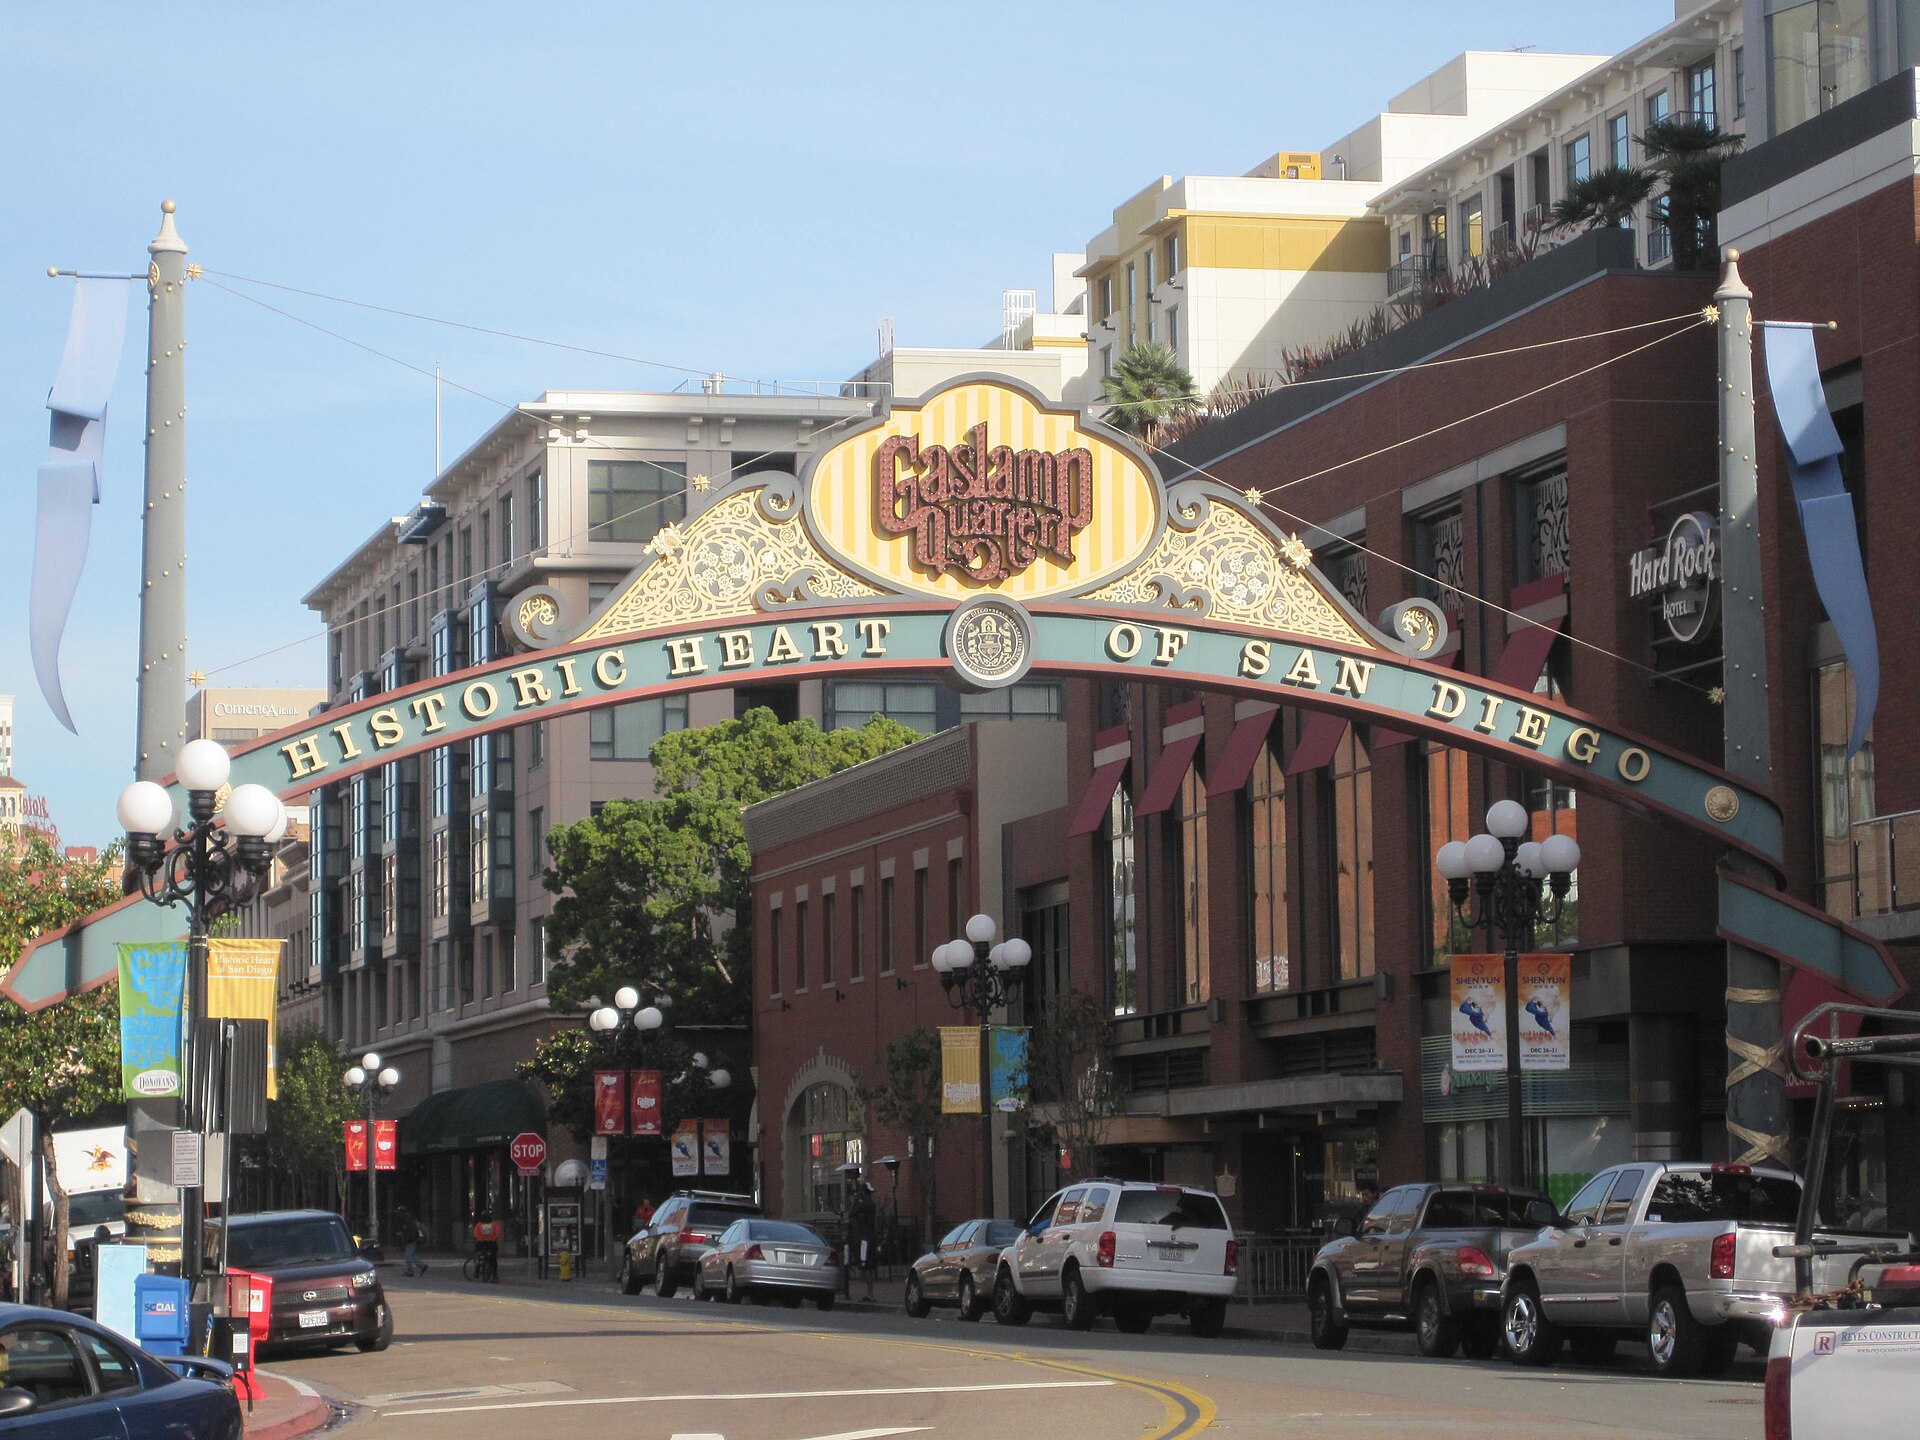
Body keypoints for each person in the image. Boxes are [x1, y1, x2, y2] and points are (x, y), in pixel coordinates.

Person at [849, 1182, 879, 1302]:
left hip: (864, 1239)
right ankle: (869, 1293)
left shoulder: (864, 1204)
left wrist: (855, 1201)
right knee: (866, 1266)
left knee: (865, 1266)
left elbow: (851, 1213)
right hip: (866, 1238)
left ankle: (870, 1293)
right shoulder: (871, 1204)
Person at [472, 1212, 502, 1283]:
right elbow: (498, 1233)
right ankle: (494, 1274)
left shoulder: (479, 1225)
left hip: (481, 1243)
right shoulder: (494, 1225)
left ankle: (477, 1271)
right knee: (493, 1259)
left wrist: (481, 1238)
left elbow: (475, 1234)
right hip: (491, 1244)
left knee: (478, 1256)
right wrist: (493, 1239)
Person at [397, 1208, 428, 1277]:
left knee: (408, 1255)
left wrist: (406, 1237)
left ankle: (410, 1271)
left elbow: (410, 1232)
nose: (398, 1214)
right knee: (412, 1255)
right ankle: (422, 1266)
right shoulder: (408, 1220)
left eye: (399, 1213)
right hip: (412, 1240)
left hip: (411, 1240)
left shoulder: (408, 1220)